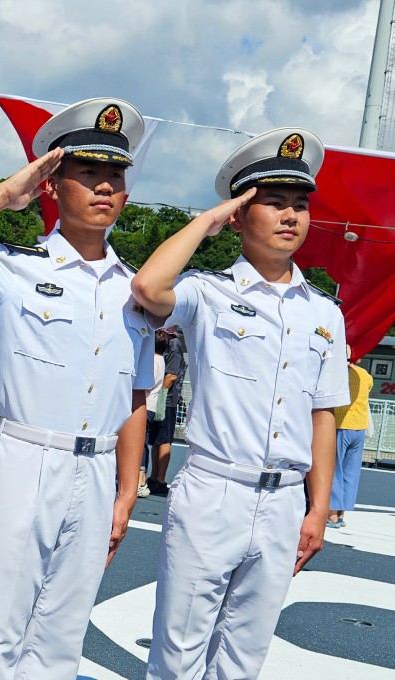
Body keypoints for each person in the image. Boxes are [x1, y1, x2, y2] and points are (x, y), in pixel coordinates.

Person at [0, 97, 153, 680]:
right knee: (0, 627)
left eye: (114, 176)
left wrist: (126, 490)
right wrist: (2, 195)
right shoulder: (13, 266)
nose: (103, 188)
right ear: (51, 186)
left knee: (63, 635)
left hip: (96, 471)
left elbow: (137, 397)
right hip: (25, 457)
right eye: (86, 173)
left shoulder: (137, 290)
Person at [131, 127, 349, 679]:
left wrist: (317, 508)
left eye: (299, 205)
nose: (289, 216)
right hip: (214, 490)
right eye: (272, 203)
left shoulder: (323, 313)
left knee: (244, 658)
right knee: (178, 653)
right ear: (238, 215)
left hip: (283, 503)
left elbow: (323, 414)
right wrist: (205, 219)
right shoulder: (209, 293)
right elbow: (149, 289)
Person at [329, 346, 373, 528]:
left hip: (341, 424)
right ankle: (341, 514)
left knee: (334, 469)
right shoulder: (365, 375)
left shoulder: (338, 373)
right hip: (359, 427)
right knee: (351, 471)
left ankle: (331, 515)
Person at [148, 326, 186, 494]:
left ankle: (160, 479)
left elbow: (171, 375)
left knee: (164, 440)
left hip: (167, 399)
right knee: (157, 440)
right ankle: (154, 477)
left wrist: (159, 394)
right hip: (162, 397)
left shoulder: (175, 345)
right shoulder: (169, 344)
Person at [139, 329, 168, 498]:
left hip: (146, 404)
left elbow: (147, 384)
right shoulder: (161, 359)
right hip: (152, 405)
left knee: (140, 442)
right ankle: (141, 478)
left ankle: (140, 479)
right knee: (144, 442)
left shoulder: (154, 360)